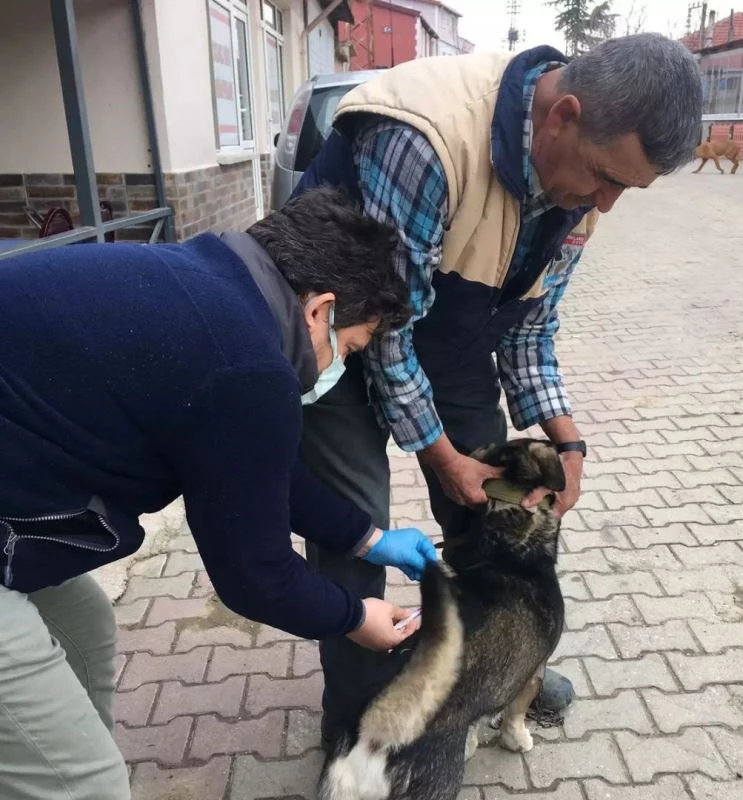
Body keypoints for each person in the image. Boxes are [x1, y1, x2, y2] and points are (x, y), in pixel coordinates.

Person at [293, 32, 703, 750]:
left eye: (624, 190)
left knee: (501, 506)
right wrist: (441, 454)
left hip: (444, 330)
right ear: (563, 116)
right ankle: (358, 729)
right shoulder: (426, 136)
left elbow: (530, 329)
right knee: (353, 520)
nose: (605, 201)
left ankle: (500, 672)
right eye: (606, 177)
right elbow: (388, 332)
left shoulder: (583, 186)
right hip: (339, 327)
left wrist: (566, 439)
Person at [0, 186, 438, 800]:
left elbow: (258, 469)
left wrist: (369, 540)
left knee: (84, 626)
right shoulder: (247, 365)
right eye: (354, 347)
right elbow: (254, 574)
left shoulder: (213, 285)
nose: (341, 363)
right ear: (321, 310)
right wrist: (352, 616)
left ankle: (43, 761)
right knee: (86, 785)